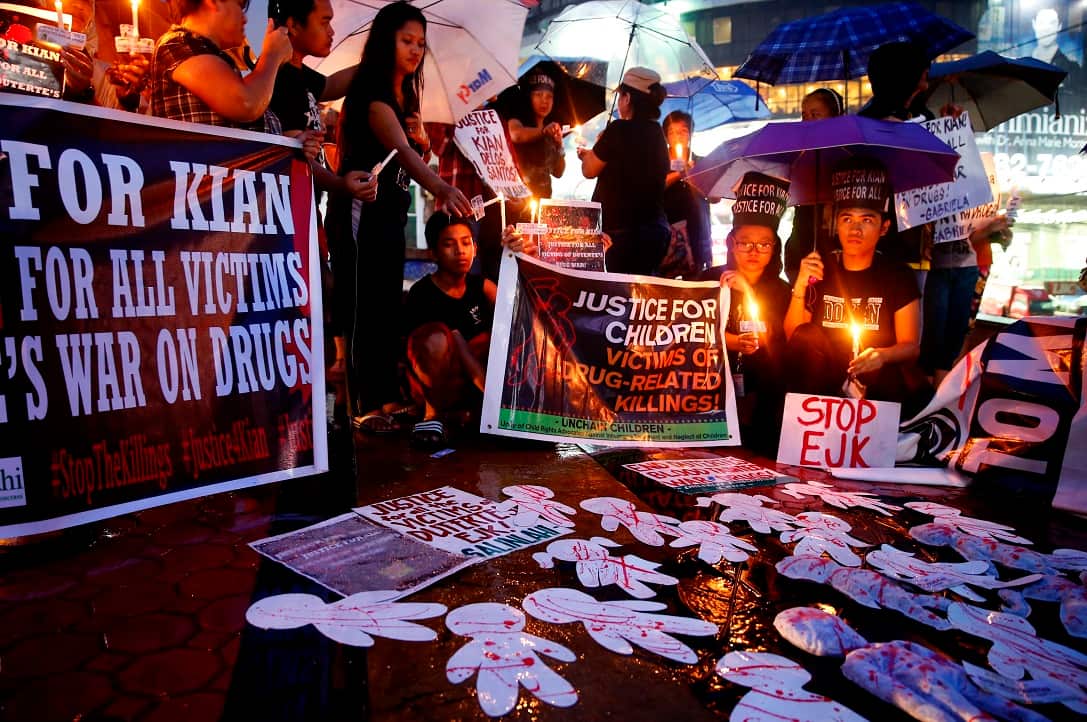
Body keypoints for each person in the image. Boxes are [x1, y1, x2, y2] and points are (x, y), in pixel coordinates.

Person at [331, 1, 471, 433]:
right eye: (406, 40)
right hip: (360, 213)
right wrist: (442, 186)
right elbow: (404, 154)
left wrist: (423, 142)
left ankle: (385, 397)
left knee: (385, 307)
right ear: (385, 40)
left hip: (390, 213)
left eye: (420, 43)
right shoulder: (371, 94)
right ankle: (361, 405)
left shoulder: (403, 97)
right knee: (361, 308)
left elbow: (410, 152)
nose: (415, 50)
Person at [268, 0, 378, 387]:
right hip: (283, 216)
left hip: (307, 210)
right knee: (304, 305)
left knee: (319, 296)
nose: (331, 30)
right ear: (293, 26)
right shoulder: (275, 78)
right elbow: (290, 156)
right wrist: (341, 184)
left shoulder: (301, 76)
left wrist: (378, 54)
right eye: (325, 21)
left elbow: (332, 84)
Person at [784, 156, 930, 416]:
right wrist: (800, 285)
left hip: (874, 385)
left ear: (884, 227)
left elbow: (911, 347)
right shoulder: (820, 269)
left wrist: (882, 355)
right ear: (836, 224)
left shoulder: (898, 275)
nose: (855, 229)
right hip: (821, 385)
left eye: (867, 220)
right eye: (847, 219)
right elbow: (793, 335)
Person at [403, 213, 537, 448]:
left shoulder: (482, 286)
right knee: (437, 340)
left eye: (466, 242)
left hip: (478, 383)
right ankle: (432, 416)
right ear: (433, 252)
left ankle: (471, 413)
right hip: (440, 387)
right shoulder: (421, 294)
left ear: (475, 247)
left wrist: (523, 258)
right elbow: (460, 349)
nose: (460, 251)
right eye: (449, 244)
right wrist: (497, 405)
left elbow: (518, 312)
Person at [700, 172, 791, 456]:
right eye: (745, 242)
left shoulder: (782, 290)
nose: (754, 251)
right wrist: (729, 340)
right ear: (731, 242)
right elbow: (687, 330)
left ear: (775, 247)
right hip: (711, 385)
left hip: (763, 388)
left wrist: (749, 294)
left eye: (763, 244)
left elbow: (777, 338)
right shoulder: (707, 280)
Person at [578, 66, 670, 276]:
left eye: (620, 96)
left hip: (619, 236)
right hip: (655, 233)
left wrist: (589, 154)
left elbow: (589, 170)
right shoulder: (658, 134)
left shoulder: (618, 129)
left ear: (628, 98)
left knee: (617, 300)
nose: (619, 102)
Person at [151, 0, 292, 132]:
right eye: (239, 5)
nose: (245, 19)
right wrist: (272, 55)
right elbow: (245, 103)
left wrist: (291, 144)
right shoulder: (179, 45)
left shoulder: (213, 57)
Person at [784, 88, 844, 284]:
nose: (807, 120)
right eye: (804, 115)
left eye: (815, 115)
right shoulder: (797, 155)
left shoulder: (847, 154)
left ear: (835, 117)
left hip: (834, 247)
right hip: (802, 241)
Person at [662, 110, 714, 274]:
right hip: (667, 235)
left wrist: (695, 176)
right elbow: (654, 188)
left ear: (690, 134)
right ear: (666, 137)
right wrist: (679, 174)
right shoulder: (659, 163)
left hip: (697, 233)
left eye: (683, 131)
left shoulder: (702, 162)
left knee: (697, 281)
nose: (678, 136)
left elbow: (715, 197)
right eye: (672, 132)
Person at [507, 72, 565, 201]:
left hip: (544, 201)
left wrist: (560, 145)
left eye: (549, 96)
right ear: (529, 97)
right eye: (538, 95)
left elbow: (558, 172)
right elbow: (516, 135)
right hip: (519, 203)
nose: (544, 100)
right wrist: (544, 131)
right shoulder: (518, 120)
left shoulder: (551, 130)